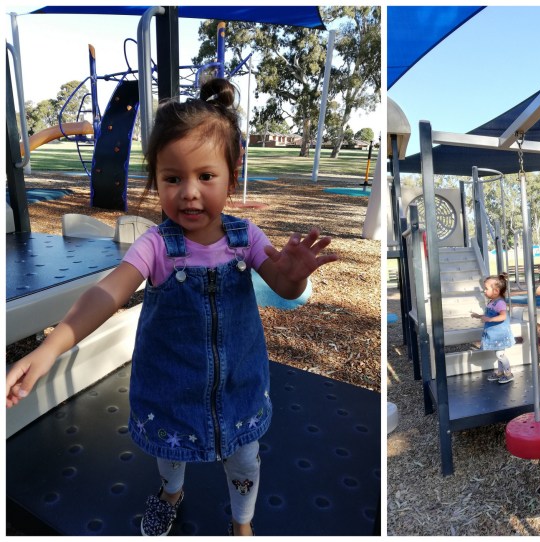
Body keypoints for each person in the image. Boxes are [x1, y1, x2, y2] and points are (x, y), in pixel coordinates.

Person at [5, 78, 338, 536]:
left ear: (232, 174)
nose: (189, 193)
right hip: (172, 389)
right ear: (156, 179)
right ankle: (171, 493)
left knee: (244, 457)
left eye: (206, 176)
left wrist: (296, 273)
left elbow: (281, 285)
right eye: (173, 178)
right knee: (170, 451)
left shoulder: (247, 239)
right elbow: (107, 293)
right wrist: (49, 349)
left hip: (238, 385)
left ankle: (242, 523)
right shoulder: (156, 245)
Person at [471, 275, 514, 384]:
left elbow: (503, 316)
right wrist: (479, 316)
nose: (484, 291)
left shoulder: (500, 303)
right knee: (498, 354)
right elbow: (487, 315)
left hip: (500, 334)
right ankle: (500, 372)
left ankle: (508, 374)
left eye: (486, 289)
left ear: (495, 291)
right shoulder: (492, 302)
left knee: (500, 354)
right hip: (494, 334)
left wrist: (490, 319)